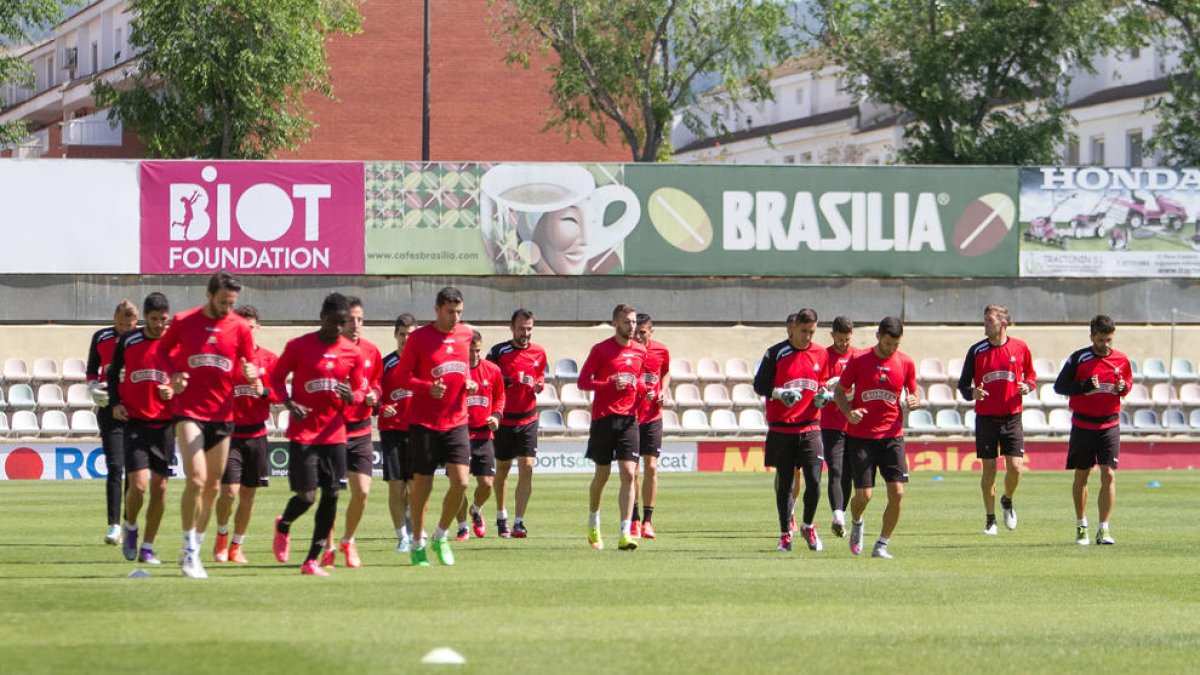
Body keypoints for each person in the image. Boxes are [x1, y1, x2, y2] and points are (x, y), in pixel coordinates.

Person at [158, 272, 258, 579]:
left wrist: (251, 373)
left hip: (223, 415)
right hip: (188, 410)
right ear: (208, 294)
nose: (227, 308)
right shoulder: (183, 321)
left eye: (232, 302)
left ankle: (195, 548)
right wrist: (172, 375)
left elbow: (248, 363)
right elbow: (162, 351)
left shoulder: (240, 327)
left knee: (214, 486)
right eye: (222, 301)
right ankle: (188, 548)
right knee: (197, 479)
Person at [270, 293, 365, 576]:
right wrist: (288, 403)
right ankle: (283, 524)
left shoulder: (352, 352)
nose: (339, 328)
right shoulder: (298, 346)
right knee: (307, 497)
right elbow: (275, 378)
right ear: (322, 317)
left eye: (343, 323)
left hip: (335, 434)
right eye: (335, 322)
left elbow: (361, 390)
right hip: (304, 434)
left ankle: (311, 559)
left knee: (332, 495)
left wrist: (353, 395)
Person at [397, 286, 477, 567]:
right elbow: (401, 376)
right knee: (422, 486)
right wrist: (425, 388)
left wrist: (467, 380)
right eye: (450, 311)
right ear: (437, 310)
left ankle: (440, 535)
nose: (455, 317)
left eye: (459, 312)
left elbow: (463, 367)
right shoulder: (418, 339)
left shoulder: (466, 334)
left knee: (462, 482)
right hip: (424, 423)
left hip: (457, 421)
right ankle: (418, 542)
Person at [833, 316, 919, 560]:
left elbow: (913, 392)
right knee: (864, 496)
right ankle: (857, 521)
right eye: (888, 343)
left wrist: (915, 400)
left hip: (892, 435)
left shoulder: (906, 362)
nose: (892, 348)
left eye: (896, 345)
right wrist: (849, 412)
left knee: (898, 492)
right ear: (878, 336)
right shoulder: (859, 360)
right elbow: (840, 391)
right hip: (861, 437)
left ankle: (881, 544)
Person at [753, 309, 831, 553]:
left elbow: (823, 382)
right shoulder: (776, 353)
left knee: (816, 482)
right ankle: (785, 534)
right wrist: (778, 393)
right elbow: (760, 385)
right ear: (793, 327)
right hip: (782, 429)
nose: (808, 336)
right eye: (804, 331)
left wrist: (823, 396)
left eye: (812, 332)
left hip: (811, 426)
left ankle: (808, 525)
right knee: (785, 484)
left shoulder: (820, 353)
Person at [956, 304, 1036, 536]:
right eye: (985, 320)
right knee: (989, 469)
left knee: (1016, 468)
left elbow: (1032, 376)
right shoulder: (977, 351)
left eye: (989, 320)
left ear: (1003, 323)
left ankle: (1007, 500)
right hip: (986, 419)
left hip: (1012, 417)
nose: (985, 324)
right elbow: (962, 384)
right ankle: (990, 520)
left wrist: (1027, 386)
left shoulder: (1020, 348)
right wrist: (973, 393)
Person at [1053, 314, 1131, 546]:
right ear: (1092, 337)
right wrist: (1083, 387)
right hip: (1083, 424)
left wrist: (1123, 387)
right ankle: (1081, 526)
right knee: (1082, 475)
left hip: (1109, 424)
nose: (1105, 345)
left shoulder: (1121, 360)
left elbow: (1127, 384)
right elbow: (1060, 386)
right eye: (1100, 340)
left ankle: (1104, 529)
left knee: (1109, 473)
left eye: (1109, 340)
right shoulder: (1079, 358)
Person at [109, 293, 173, 565]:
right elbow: (113, 373)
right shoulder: (128, 341)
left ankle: (147, 546)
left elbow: (186, 376)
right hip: (135, 422)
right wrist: (114, 403)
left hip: (165, 425)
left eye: (163, 319)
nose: (159, 324)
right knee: (138, 485)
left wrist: (175, 390)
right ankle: (131, 526)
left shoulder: (175, 343)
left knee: (160, 489)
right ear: (145, 317)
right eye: (155, 319)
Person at [578, 303, 648, 552]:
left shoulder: (641, 351)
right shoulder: (601, 350)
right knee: (602, 475)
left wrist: (644, 392)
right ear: (615, 323)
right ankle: (593, 522)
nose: (632, 327)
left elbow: (640, 382)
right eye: (626, 322)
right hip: (604, 419)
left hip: (629, 419)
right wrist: (609, 384)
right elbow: (583, 382)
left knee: (630, 474)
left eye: (633, 322)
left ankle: (625, 532)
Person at [319, 296, 383, 569]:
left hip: (361, 431)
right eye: (351, 320)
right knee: (331, 493)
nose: (356, 325)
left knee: (363, 492)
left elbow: (379, 384)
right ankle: (329, 547)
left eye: (360, 319)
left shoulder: (371, 351)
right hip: (333, 430)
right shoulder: (328, 351)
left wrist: (374, 395)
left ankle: (349, 539)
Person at [213, 306, 277, 564]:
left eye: (251, 328)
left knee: (249, 496)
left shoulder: (269, 359)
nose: (246, 333)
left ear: (257, 328)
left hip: (257, 435)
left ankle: (237, 546)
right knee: (229, 493)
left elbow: (279, 395)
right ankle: (221, 537)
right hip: (230, 435)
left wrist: (263, 390)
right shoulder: (224, 358)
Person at [486, 308, 547, 538]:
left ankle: (519, 522)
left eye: (529, 328)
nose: (526, 333)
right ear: (512, 328)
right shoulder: (498, 352)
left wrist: (539, 383)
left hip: (528, 418)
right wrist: (511, 380)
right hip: (504, 419)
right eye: (522, 328)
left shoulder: (539, 352)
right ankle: (501, 517)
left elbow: (539, 375)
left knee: (527, 467)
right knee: (502, 469)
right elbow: (487, 379)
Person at [87, 299, 138, 545]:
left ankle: (130, 523)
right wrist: (92, 386)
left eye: (128, 325)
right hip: (109, 408)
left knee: (134, 469)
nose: (123, 329)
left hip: (135, 410)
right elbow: (91, 369)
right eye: (119, 324)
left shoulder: (141, 340)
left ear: (135, 322)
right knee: (115, 466)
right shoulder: (101, 337)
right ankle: (114, 526)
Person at [455, 330, 505, 541]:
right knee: (459, 484)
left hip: (484, 435)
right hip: (459, 434)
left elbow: (500, 396)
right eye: (470, 351)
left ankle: (475, 510)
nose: (474, 355)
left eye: (477, 351)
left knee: (486, 484)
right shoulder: (455, 372)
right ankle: (462, 526)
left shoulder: (492, 370)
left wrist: (496, 416)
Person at [818, 316, 864, 538]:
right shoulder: (824, 356)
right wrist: (829, 392)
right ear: (832, 335)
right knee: (835, 469)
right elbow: (820, 387)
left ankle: (842, 515)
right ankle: (837, 515)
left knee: (849, 474)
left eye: (847, 339)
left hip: (854, 424)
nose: (844, 344)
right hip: (831, 423)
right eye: (840, 339)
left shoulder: (858, 356)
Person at [380, 313, 418, 552]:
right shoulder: (385, 364)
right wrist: (381, 407)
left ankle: (414, 528)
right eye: (402, 334)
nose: (406, 338)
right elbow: (371, 394)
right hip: (392, 431)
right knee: (396, 486)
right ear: (395, 335)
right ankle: (402, 536)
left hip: (418, 431)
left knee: (415, 487)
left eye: (411, 334)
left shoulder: (424, 363)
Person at [631, 312, 670, 540]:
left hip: (653, 416)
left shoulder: (661, 350)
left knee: (652, 468)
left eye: (642, 332)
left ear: (650, 331)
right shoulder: (628, 351)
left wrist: (663, 391)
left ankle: (648, 521)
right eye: (636, 331)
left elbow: (665, 372)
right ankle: (634, 519)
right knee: (633, 471)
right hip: (632, 417)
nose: (638, 335)